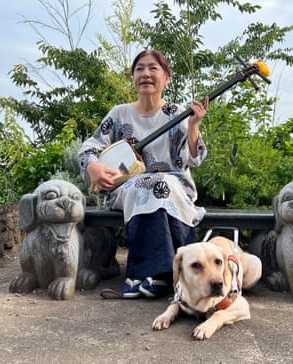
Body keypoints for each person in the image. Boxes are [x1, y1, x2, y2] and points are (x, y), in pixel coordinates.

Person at [78, 49, 209, 298]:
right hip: (129, 190)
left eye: (153, 68)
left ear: (166, 78)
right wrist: (93, 167)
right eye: (139, 69)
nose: (145, 74)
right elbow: (89, 146)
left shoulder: (177, 113)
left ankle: (145, 275)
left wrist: (193, 126)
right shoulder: (119, 113)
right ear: (133, 77)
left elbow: (195, 157)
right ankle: (166, 277)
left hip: (174, 186)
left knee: (157, 183)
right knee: (145, 184)